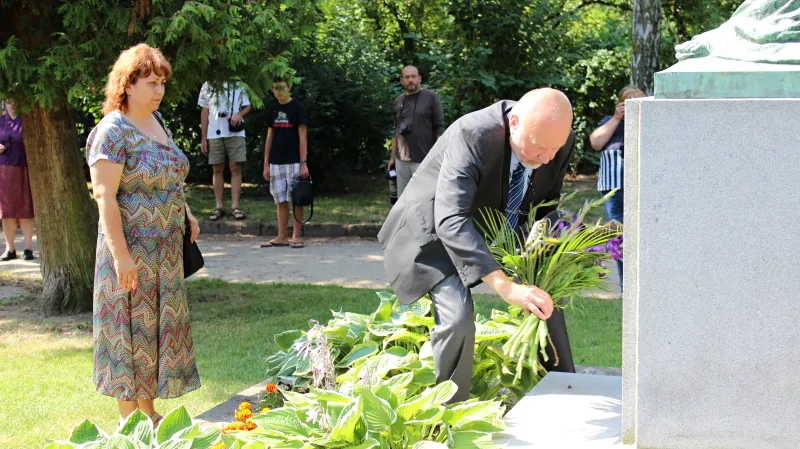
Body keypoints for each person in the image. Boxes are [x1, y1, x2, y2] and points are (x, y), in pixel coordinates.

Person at [378, 88, 577, 403]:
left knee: (547, 295)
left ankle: (563, 385)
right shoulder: (473, 133)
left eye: (555, 149)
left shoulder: (554, 139)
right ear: (514, 123)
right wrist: (505, 286)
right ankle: (451, 414)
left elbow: (545, 204)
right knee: (457, 318)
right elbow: (451, 219)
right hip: (435, 233)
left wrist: (554, 244)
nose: (545, 158)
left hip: (499, 227)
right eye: (538, 147)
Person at [85, 43, 201, 427]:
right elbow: (105, 196)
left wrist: (185, 213)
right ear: (128, 84)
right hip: (130, 249)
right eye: (151, 83)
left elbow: (167, 175)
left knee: (154, 330)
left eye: (162, 83)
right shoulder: (112, 131)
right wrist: (121, 256)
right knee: (128, 331)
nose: (159, 91)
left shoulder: (158, 122)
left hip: (165, 251)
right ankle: (129, 421)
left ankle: (149, 413)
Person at [589, 85, 645, 292]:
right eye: (628, 101)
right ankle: (626, 289)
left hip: (641, 189)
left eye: (639, 100)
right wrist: (616, 117)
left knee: (640, 238)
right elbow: (595, 142)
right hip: (613, 190)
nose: (634, 105)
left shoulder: (647, 123)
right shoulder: (610, 122)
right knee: (621, 238)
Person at [261, 77, 309, 249]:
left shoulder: (298, 108)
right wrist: (266, 163)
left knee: (296, 198)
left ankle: (296, 236)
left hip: (294, 160)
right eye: (274, 88)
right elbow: (269, 137)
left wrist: (303, 162)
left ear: (289, 87)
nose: (278, 91)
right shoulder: (272, 108)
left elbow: (303, 135)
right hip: (276, 161)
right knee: (280, 199)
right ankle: (282, 236)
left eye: (281, 87)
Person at [198, 80, 252, 221]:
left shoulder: (239, 83)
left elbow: (247, 106)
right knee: (217, 168)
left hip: (235, 132)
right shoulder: (207, 85)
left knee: (235, 167)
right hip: (214, 133)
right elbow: (205, 112)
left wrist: (239, 115)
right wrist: (203, 138)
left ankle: (235, 206)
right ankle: (219, 206)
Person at [388, 65, 445, 197]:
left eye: (413, 76)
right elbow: (396, 130)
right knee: (403, 201)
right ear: (402, 80)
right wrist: (392, 158)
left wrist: (439, 156)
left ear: (419, 78)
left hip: (424, 159)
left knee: (424, 200)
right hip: (401, 160)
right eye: (407, 77)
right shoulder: (398, 101)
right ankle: (404, 219)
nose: (410, 80)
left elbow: (440, 126)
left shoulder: (431, 97)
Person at [0, 99, 35, 261]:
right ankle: (10, 248)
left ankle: (28, 248)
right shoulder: (1, 120)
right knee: (7, 211)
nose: (11, 103)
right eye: (7, 101)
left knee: (25, 209)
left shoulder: (27, 119)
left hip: (24, 169)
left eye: (13, 100)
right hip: (4, 170)